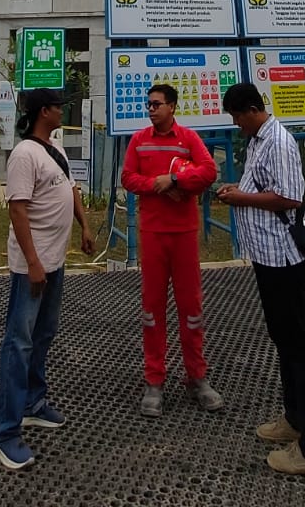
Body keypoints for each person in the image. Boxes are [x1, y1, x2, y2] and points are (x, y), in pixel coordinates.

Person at [217, 83, 305, 478]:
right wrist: (239, 190)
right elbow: (262, 187)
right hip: (267, 257)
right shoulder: (257, 140)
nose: (235, 124)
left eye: (236, 116)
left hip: (283, 258)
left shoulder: (278, 141)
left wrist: (241, 199)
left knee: (298, 346)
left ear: (251, 109)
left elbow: (289, 197)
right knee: (284, 340)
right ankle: (295, 419)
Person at [0, 89, 94, 472]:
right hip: (31, 266)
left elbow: (70, 190)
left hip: (55, 261)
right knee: (18, 343)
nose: (62, 110)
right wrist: (32, 262)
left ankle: (33, 403)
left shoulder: (55, 149)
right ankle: (4, 433)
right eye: (58, 106)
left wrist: (84, 225)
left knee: (43, 335)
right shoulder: (24, 155)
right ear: (43, 112)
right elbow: (17, 210)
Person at [121, 82, 223, 417]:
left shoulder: (189, 139)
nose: (151, 109)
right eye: (148, 104)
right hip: (152, 234)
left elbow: (208, 171)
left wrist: (177, 180)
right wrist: (157, 185)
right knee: (152, 310)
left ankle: (196, 377)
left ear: (173, 107)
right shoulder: (139, 140)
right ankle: (154, 380)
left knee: (191, 309)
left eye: (157, 104)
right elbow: (128, 178)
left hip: (184, 235)